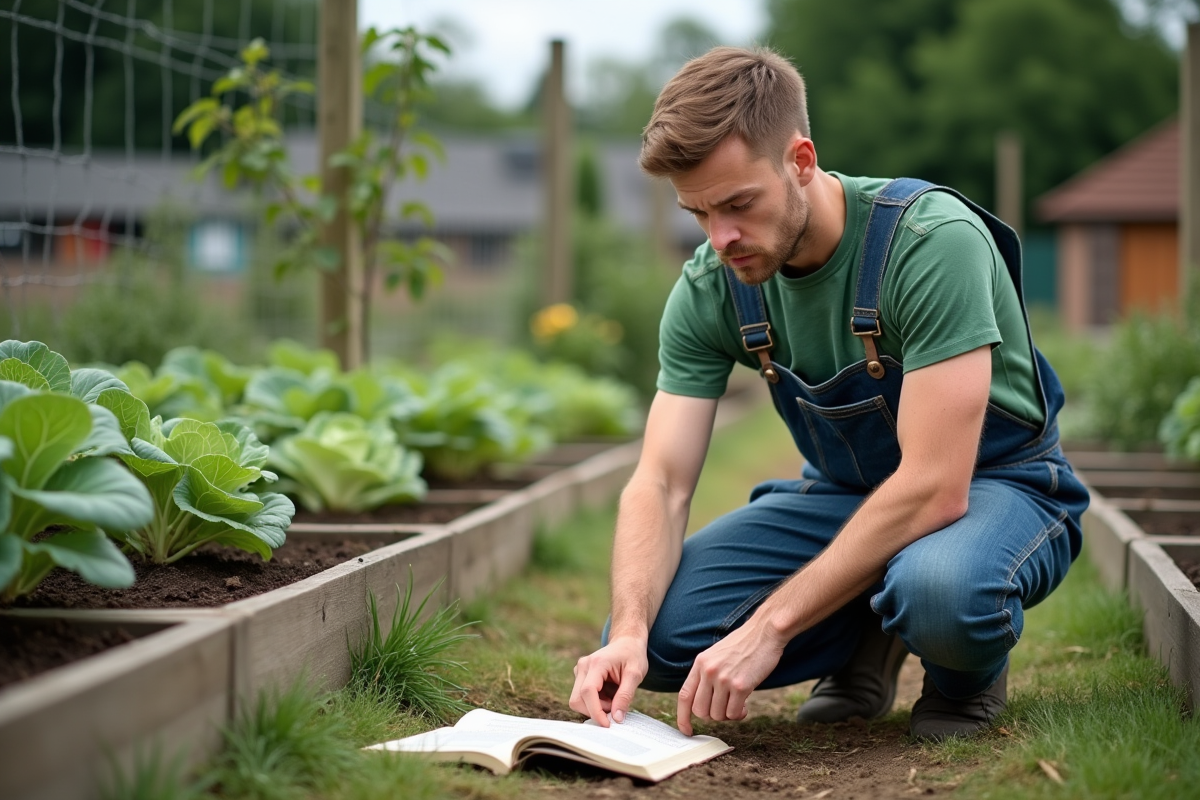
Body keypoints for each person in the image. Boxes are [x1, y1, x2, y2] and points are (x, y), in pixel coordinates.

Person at [567, 45, 1089, 742]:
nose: (722, 238)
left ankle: (962, 673)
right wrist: (627, 633)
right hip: (847, 497)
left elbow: (936, 487)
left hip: (996, 485)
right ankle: (865, 636)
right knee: (659, 637)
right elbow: (660, 482)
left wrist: (770, 627)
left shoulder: (930, 243)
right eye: (697, 213)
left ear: (802, 161)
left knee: (940, 591)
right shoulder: (711, 284)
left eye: (738, 204)